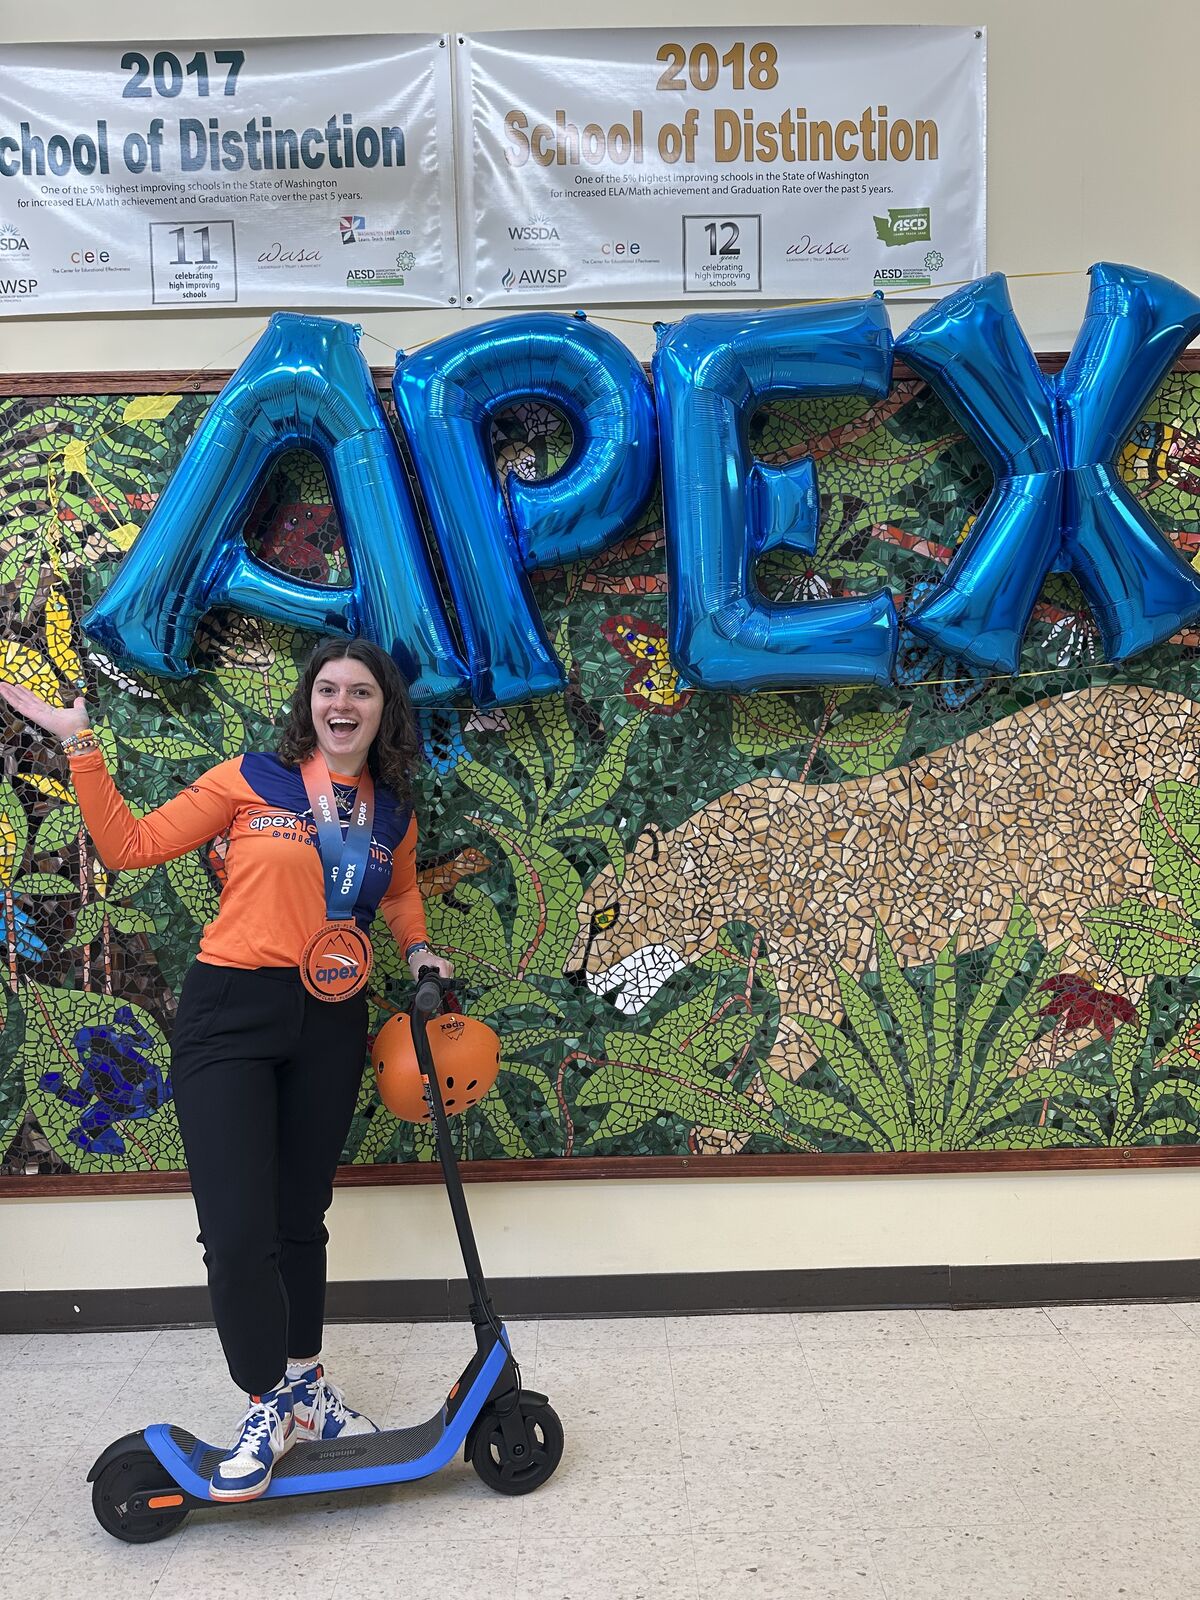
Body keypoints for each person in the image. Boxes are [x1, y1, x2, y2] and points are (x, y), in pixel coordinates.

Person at [0, 637, 453, 1501]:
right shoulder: (252, 778)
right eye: (329, 689)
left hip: (331, 1014)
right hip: (228, 1015)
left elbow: (396, 894)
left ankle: (310, 1389)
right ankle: (269, 1399)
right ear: (309, 703)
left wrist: (421, 949)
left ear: (384, 708)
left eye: (362, 690)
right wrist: (79, 742)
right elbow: (130, 846)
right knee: (237, 1230)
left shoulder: (392, 809)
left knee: (299, 1217)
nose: (344, 703)